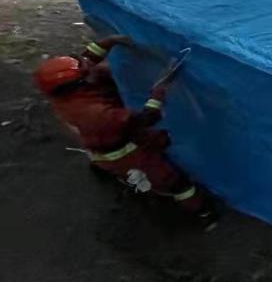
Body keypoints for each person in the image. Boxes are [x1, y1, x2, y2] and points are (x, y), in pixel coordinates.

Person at [34, 36, 211, 220]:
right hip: (123, 150)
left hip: (97, 140)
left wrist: (112, 40)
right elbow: (148, 119)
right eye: (86, 71)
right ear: (76, 85)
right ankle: (202, 213)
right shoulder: (96, 114)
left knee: (101, 157)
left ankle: (104, 169)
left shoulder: (65, 93)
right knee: (173, 181)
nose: (91, 67)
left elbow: (88, 60)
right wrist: (158, 92)